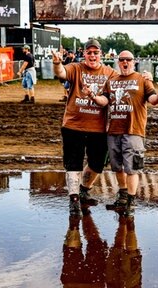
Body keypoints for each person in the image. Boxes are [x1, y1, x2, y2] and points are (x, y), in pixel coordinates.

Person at [84, 50, 158, 217]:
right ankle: (123, 197)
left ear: (134, 62)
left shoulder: (142, 80)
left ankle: (131, 202)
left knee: (131, 169)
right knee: (117, 167)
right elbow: (105, 101)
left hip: (134, 131)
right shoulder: (112, 81)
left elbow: (153, 100)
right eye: (122, 59)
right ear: (118, 62)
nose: (125, 62)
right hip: (114, 131)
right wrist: (93, 96)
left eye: (128, 60)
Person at [52, 38, 119, 217]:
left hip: (98, 128)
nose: (92, 55)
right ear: (84, 54)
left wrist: (93, 97)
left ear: (101, 54)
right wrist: (57, 62)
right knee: (73, 163)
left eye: (95, 52)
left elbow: (112, 95)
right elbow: (61, 74)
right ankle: (73, 200)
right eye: (89, 52)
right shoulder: (76, 68)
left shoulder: (110, 73)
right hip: (73, 125)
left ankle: (83, 191)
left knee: (97, 164)